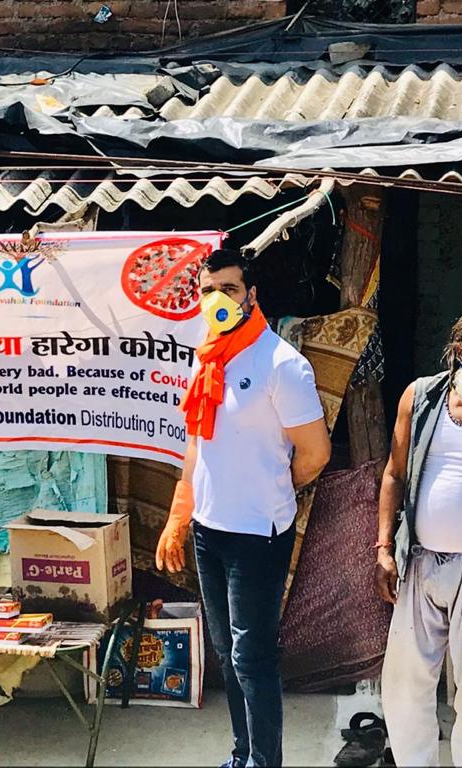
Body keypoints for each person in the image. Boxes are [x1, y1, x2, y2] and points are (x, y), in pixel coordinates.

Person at [155, 249, 331, 768]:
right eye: (207, 291)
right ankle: (242, 754)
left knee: (252, 657)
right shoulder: (207, 356)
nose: (217, 300)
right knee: (227, 653)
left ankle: (263, 761)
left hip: (258, 532)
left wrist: (273, 486)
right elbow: (196, 442)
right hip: (209, 530)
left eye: (228, 289)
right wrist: (179, 514)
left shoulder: (281, 365)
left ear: (251, 296)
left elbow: (316, 453)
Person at [375, 305, 462, 767]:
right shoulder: (421, 397)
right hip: (420, 562)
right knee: (405, 685)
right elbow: (394, 474)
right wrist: (384, 548)